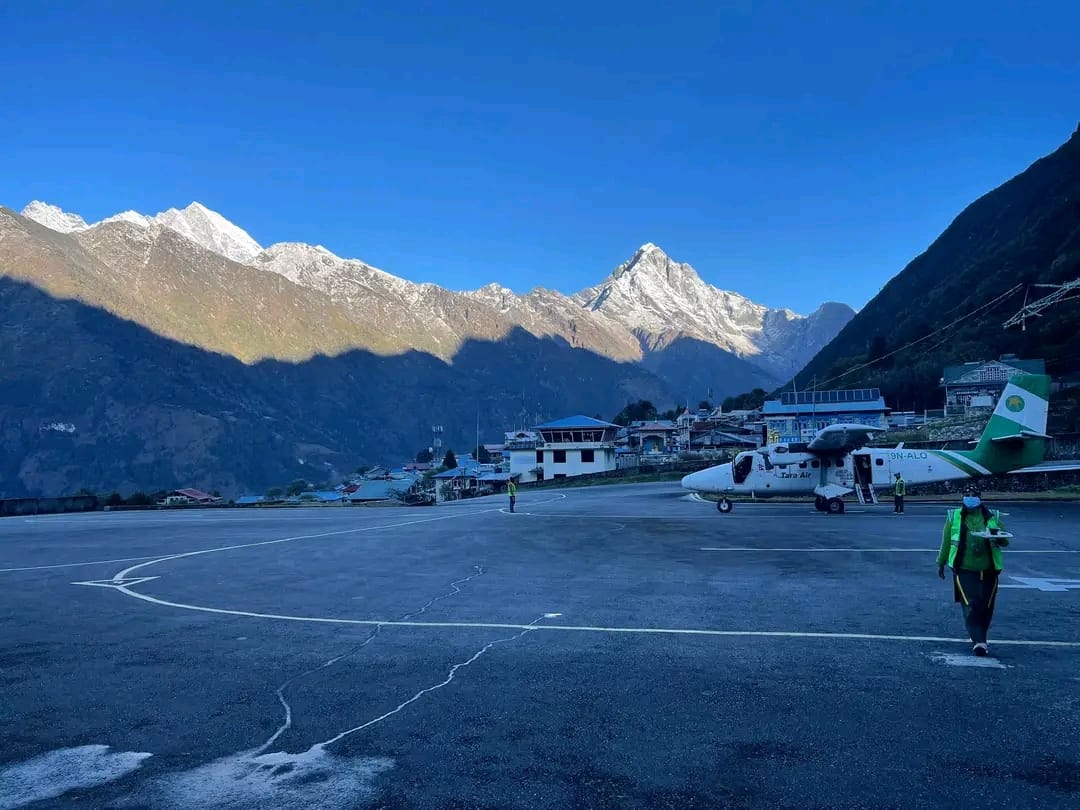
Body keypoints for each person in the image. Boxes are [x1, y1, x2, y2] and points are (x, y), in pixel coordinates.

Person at [936, 485, 1008, 656]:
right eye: (966, 494)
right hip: (964, 569)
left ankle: (981, 636)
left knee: (987, 606)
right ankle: (979, 642)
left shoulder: (993, 517)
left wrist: (998, 538)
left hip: (989, 569)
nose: (969, 497)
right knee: (971, 604)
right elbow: (946, 541)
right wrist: (941, 562)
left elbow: (1005, 541)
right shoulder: (954, 516)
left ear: (980, 498)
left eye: (973, 494)